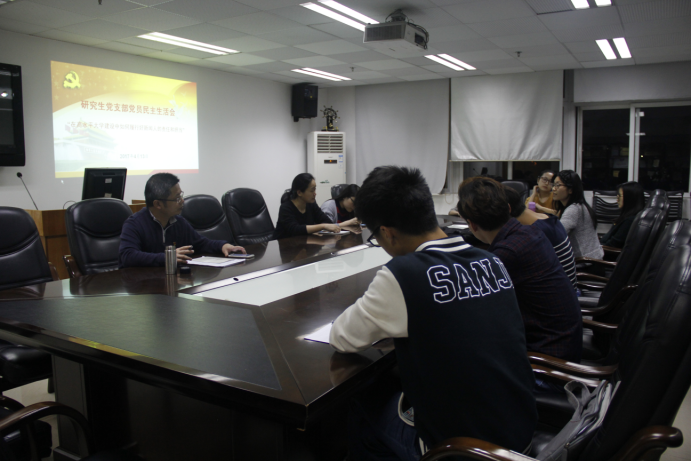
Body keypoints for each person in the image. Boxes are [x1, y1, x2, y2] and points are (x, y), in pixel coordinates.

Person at [330, 166, 537, 460]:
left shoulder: (404, 274)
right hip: (521, 433)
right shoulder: (491, 261)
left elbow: (342, 337)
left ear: (387, 232)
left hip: (464, 451)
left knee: (362, 405)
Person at [457, 176, 582, 363]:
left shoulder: (507, 254)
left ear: (472, 224)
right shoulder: (531, 232)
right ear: (508, 209)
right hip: (565, 341)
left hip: (548, 359)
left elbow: (471, 308)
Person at [119, 173, 245, 268]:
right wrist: (167, 257)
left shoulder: (179, 222)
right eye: (177, 198)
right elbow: (128, 256)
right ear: (158, 204)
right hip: (142, 287)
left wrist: (222, 245)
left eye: (181, 195)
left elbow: (200, 244)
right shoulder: (134, 224)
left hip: (170, 280)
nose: (182, 201)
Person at [505, 186, 577, 290]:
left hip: (557, 293)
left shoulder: (534, 233)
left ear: (508, 209)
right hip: (568, 290)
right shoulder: (548, 218)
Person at [553, 170, 604, 260]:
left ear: (570, 190)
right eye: (553, 185)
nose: (553, 188)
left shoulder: (573, 209)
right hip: (592, 259)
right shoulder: (580, 206)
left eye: (558, 185)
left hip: (585, 263)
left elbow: (556, 235)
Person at [272, 173, 341, 240]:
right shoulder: (286, 208)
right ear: (299, 192)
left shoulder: (311, 204)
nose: (315, 193)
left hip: (303, 244)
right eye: (312, 190)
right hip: (284, 245)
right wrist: (322, 226)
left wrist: (322, 227)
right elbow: (295, 230)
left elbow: (327, 222)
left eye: (315, 189)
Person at [600, 181, 645, 248]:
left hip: (606, 252)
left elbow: (613, 245)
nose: (617, 200)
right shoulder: (628, 217)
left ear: (630, 198)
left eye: (619, 196)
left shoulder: (629, 221)